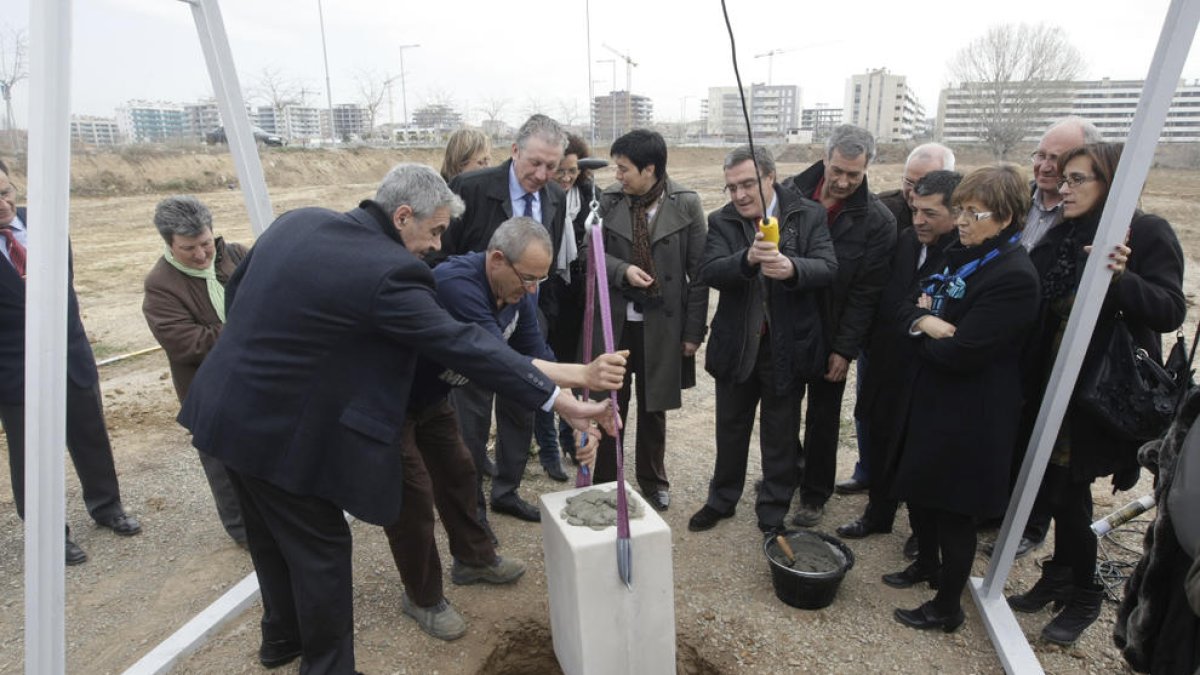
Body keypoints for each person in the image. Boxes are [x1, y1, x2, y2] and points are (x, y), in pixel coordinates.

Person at [177, 163, 611, 673]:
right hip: (279, 434)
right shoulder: (391, 271)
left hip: (222, 411)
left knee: (270, 540)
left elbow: (239, 294)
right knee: (322, 553)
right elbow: (461, 343)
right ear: (402, 216)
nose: (436, 245)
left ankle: (282, 639)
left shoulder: (300, 221)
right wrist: (557, 399)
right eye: (434, 231)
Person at [383, 217, 623, 641]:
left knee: (459, 471)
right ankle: (422, 597)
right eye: (528, 278)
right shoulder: (457, 286)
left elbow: (535, 353)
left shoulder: (520, 291)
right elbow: (496, 361)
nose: (533, 289)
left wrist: (573, 413)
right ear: (497, 259)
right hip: (390, 400)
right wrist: (582, 378)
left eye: (540, 280)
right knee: (411, 496)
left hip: (434, 395)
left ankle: (474, 559)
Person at [1007, 143, 1185, 646]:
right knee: (1052, 487)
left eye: (1077, 179)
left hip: (1098, 393)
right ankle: (1061, 573)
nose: (1064, 188)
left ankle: (1084, 594)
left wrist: (1121, 278)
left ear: (1110, 182)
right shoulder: (1067, 232)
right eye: (1063, 179)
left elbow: (1170, 311)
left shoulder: (1145, 232)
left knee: (1071, 492)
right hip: (1052, 384)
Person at [885, 164, 1040, 634]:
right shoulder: (959, 254)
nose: (965, 222)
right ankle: (926, 565)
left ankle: (947, 605)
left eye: (976, 213)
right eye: (962, 211)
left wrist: (927, 329)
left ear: (1008, 217)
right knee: (922, 493)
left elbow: (964, 352)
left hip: (972, 413)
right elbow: (907, 306)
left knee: (954, 510)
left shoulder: (1014, 276)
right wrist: (926, 322)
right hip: (932, 400)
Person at [688, 145, 836, 536]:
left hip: (787, 347)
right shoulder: (721, 221)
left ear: (769, 178)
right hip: (737, 345)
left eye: (747, 184)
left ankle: (772, 513)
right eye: (731, 187)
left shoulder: (807, 214)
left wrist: (791, 268)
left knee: (780, 436)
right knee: (730, 429)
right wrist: (747, 260)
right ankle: (721, 500)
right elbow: (710, 271)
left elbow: (827, 267)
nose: (739, 195)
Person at [0, 166, 141, 566]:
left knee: (90, 435)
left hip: (70, 356)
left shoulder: (44, 224)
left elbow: (67, 286)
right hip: (16, 371)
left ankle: (107, 506)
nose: (3, 203)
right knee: (31, 456)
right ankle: (48, 533)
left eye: (6, 191)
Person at [441, 114, 569, 524]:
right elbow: (442, 255)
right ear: (514, 150)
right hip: (473, 323)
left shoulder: (555, 196)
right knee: (471, 423)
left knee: (522, 406)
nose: (542, 174)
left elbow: (547, 261)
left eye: (551, 166)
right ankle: (472, 508)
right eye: (534, 162)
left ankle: (507, 490)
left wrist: (538, 313)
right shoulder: (471, 188)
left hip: (526, 313)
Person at [585, 129, 709, 512]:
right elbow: (589, 254)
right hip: (617, 323)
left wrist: (692, 333)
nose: (617, 175)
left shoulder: (686, 204)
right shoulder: (608, 201)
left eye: (624, 168)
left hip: (663, 326)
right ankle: (606, 480)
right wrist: (622, 270)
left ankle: (653, 480)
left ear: (649, 169)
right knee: (610, 404)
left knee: (654, 407)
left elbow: (700, 274)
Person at [838, 171, 962, 547]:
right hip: (890, 360)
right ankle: (879, 514)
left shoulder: (961, 254)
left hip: (931, 372)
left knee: (921, 451)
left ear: (956, 213)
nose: (919, 220)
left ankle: (923, 535)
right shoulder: (906, 240)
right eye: (915, 210)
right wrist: (918, 317)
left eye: (930, 213)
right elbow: (890, 300)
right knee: (881, 436)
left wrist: (917, 316)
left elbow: (949, 320)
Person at [999, 117, 1103, 559]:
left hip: (1053, 348)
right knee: (1008, 425)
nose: (1043, 166)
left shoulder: (1085, 221)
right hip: (1008, 339)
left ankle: (1032, 522)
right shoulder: (1020, 203)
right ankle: (1000, 507)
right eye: (1039, 155)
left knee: (1048, 444)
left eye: (1056, 160)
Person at [782, 124, 896, 527]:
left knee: (824, 419)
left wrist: (845, 350)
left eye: (855, 174)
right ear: (825, 159)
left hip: (833, 332)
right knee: (782, 410)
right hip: (787, 326)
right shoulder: (789, 193)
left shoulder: (877, 221)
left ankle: (814, 493)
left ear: (867, 169)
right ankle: (785, 475)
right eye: (838, 171)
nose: (844, 181)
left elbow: (867, 292)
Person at [141, 196, 248, 546]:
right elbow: (188, 344)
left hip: (255, 381)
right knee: (221, 463)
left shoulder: (236, 256)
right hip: (208, 390)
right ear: (170, 244)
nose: (202, 255)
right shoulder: (160, 285)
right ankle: (242, 531)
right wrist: (247, 325)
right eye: (189, 249)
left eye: (205, 243)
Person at [534, 133, 595, 475]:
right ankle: (547, 450)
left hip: (576, 296)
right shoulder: (543, 200)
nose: (568, 177)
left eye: (573, 171)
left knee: (572, 368)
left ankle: (571, 438)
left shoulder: (588, 197)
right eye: (562, 171)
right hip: (546, 294)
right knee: (544, 367)